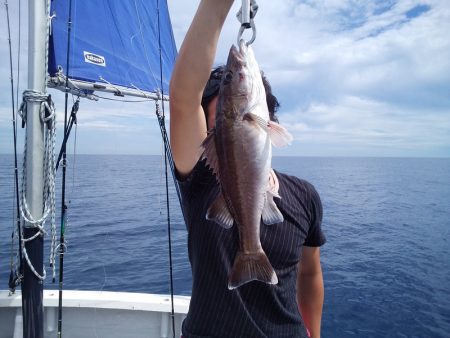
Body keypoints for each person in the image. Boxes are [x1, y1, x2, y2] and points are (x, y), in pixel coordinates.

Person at [169, 1, 326, 337]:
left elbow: (310, 275)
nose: (219, 128)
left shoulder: (305, 196)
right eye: (213, 119)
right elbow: (184, 99)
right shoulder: (200, 182)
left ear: (266, 116)